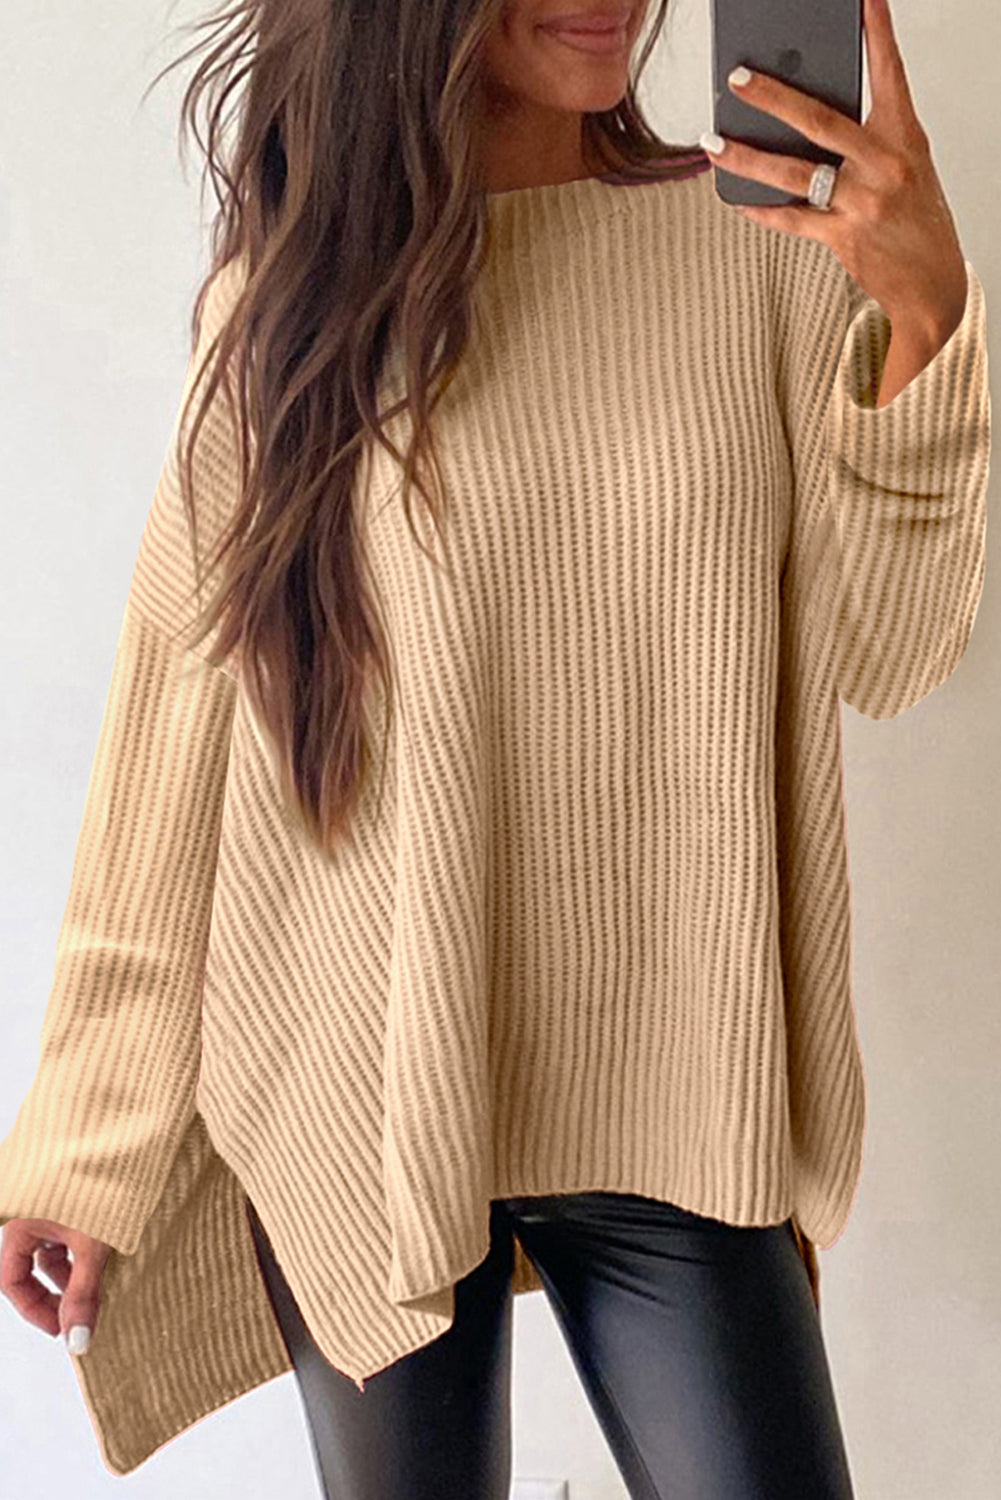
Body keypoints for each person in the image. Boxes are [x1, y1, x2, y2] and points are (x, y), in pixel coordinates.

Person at [0, 0, 989, 1495]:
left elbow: (891, 650)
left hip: (677, 1082)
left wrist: (923, 314)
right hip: (366, 1078)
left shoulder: (760, 253)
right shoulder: (295, 300)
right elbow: (178, 730)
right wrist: (86, 1136)